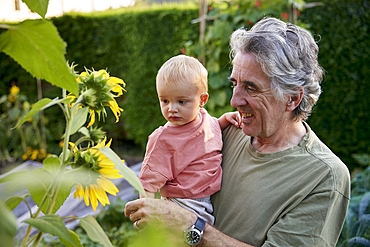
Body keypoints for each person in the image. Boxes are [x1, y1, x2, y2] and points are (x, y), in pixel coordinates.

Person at [125, 17, 350, 247]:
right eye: (235, 84)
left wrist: (192, 227)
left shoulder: (324, 176)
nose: (234, 100)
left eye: (251, 88)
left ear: (292, 98)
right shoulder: (229, 131)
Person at [138, 54, 240, 226]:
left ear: (202, 100)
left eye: (181, 101)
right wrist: (147, 216)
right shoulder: (163, 139)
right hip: (181, 203)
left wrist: (225, 120)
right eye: (165, 100)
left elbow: (211, 130)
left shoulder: (205, 119)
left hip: (206, 202)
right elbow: (147, 183)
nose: (172, 109)